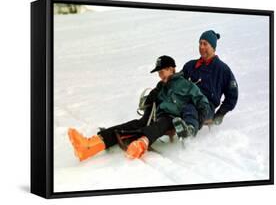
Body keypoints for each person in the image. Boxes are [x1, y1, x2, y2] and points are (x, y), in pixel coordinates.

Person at [68, 55, 211, 161]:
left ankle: (141, 144)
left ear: (171, 69)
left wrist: (197, 122)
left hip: (175, 119)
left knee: (162, 123)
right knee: (133, 125)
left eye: (162, 72)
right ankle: (89, 145)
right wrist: (150, 98)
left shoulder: (186, 85)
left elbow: (202, 103)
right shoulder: (160, 87)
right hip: (158, 117)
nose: (160, 76)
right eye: (159, 73)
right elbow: (149, 104)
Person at [181, 30, 238, 128]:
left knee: (191, 108)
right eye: (200, 43)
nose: (201, 47)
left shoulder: (222, 69)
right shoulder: (190, 65)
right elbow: (177, 82)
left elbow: (232, 95)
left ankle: (189, 131)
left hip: (206, 107)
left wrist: (220, 114)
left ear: (213, 47)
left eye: (205, 44)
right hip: (186, 103)